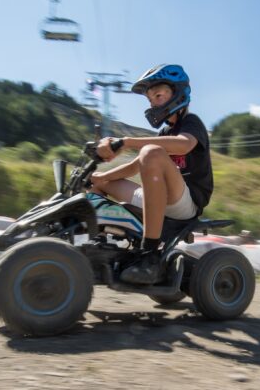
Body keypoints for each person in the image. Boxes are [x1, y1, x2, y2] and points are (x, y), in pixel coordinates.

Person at [91, 64, 213, 284]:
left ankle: (150, 257)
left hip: (185, 203)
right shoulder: (165, 132)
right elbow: (136, 165)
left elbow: (183, 145)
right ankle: (96, 248)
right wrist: (101, 177)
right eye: (150, 100)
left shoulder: (191, 123)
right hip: (161, 198)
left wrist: (127, 142)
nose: (153, 103)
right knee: (100, 183)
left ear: (177, 94)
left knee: (151, 152)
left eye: (158, 96)